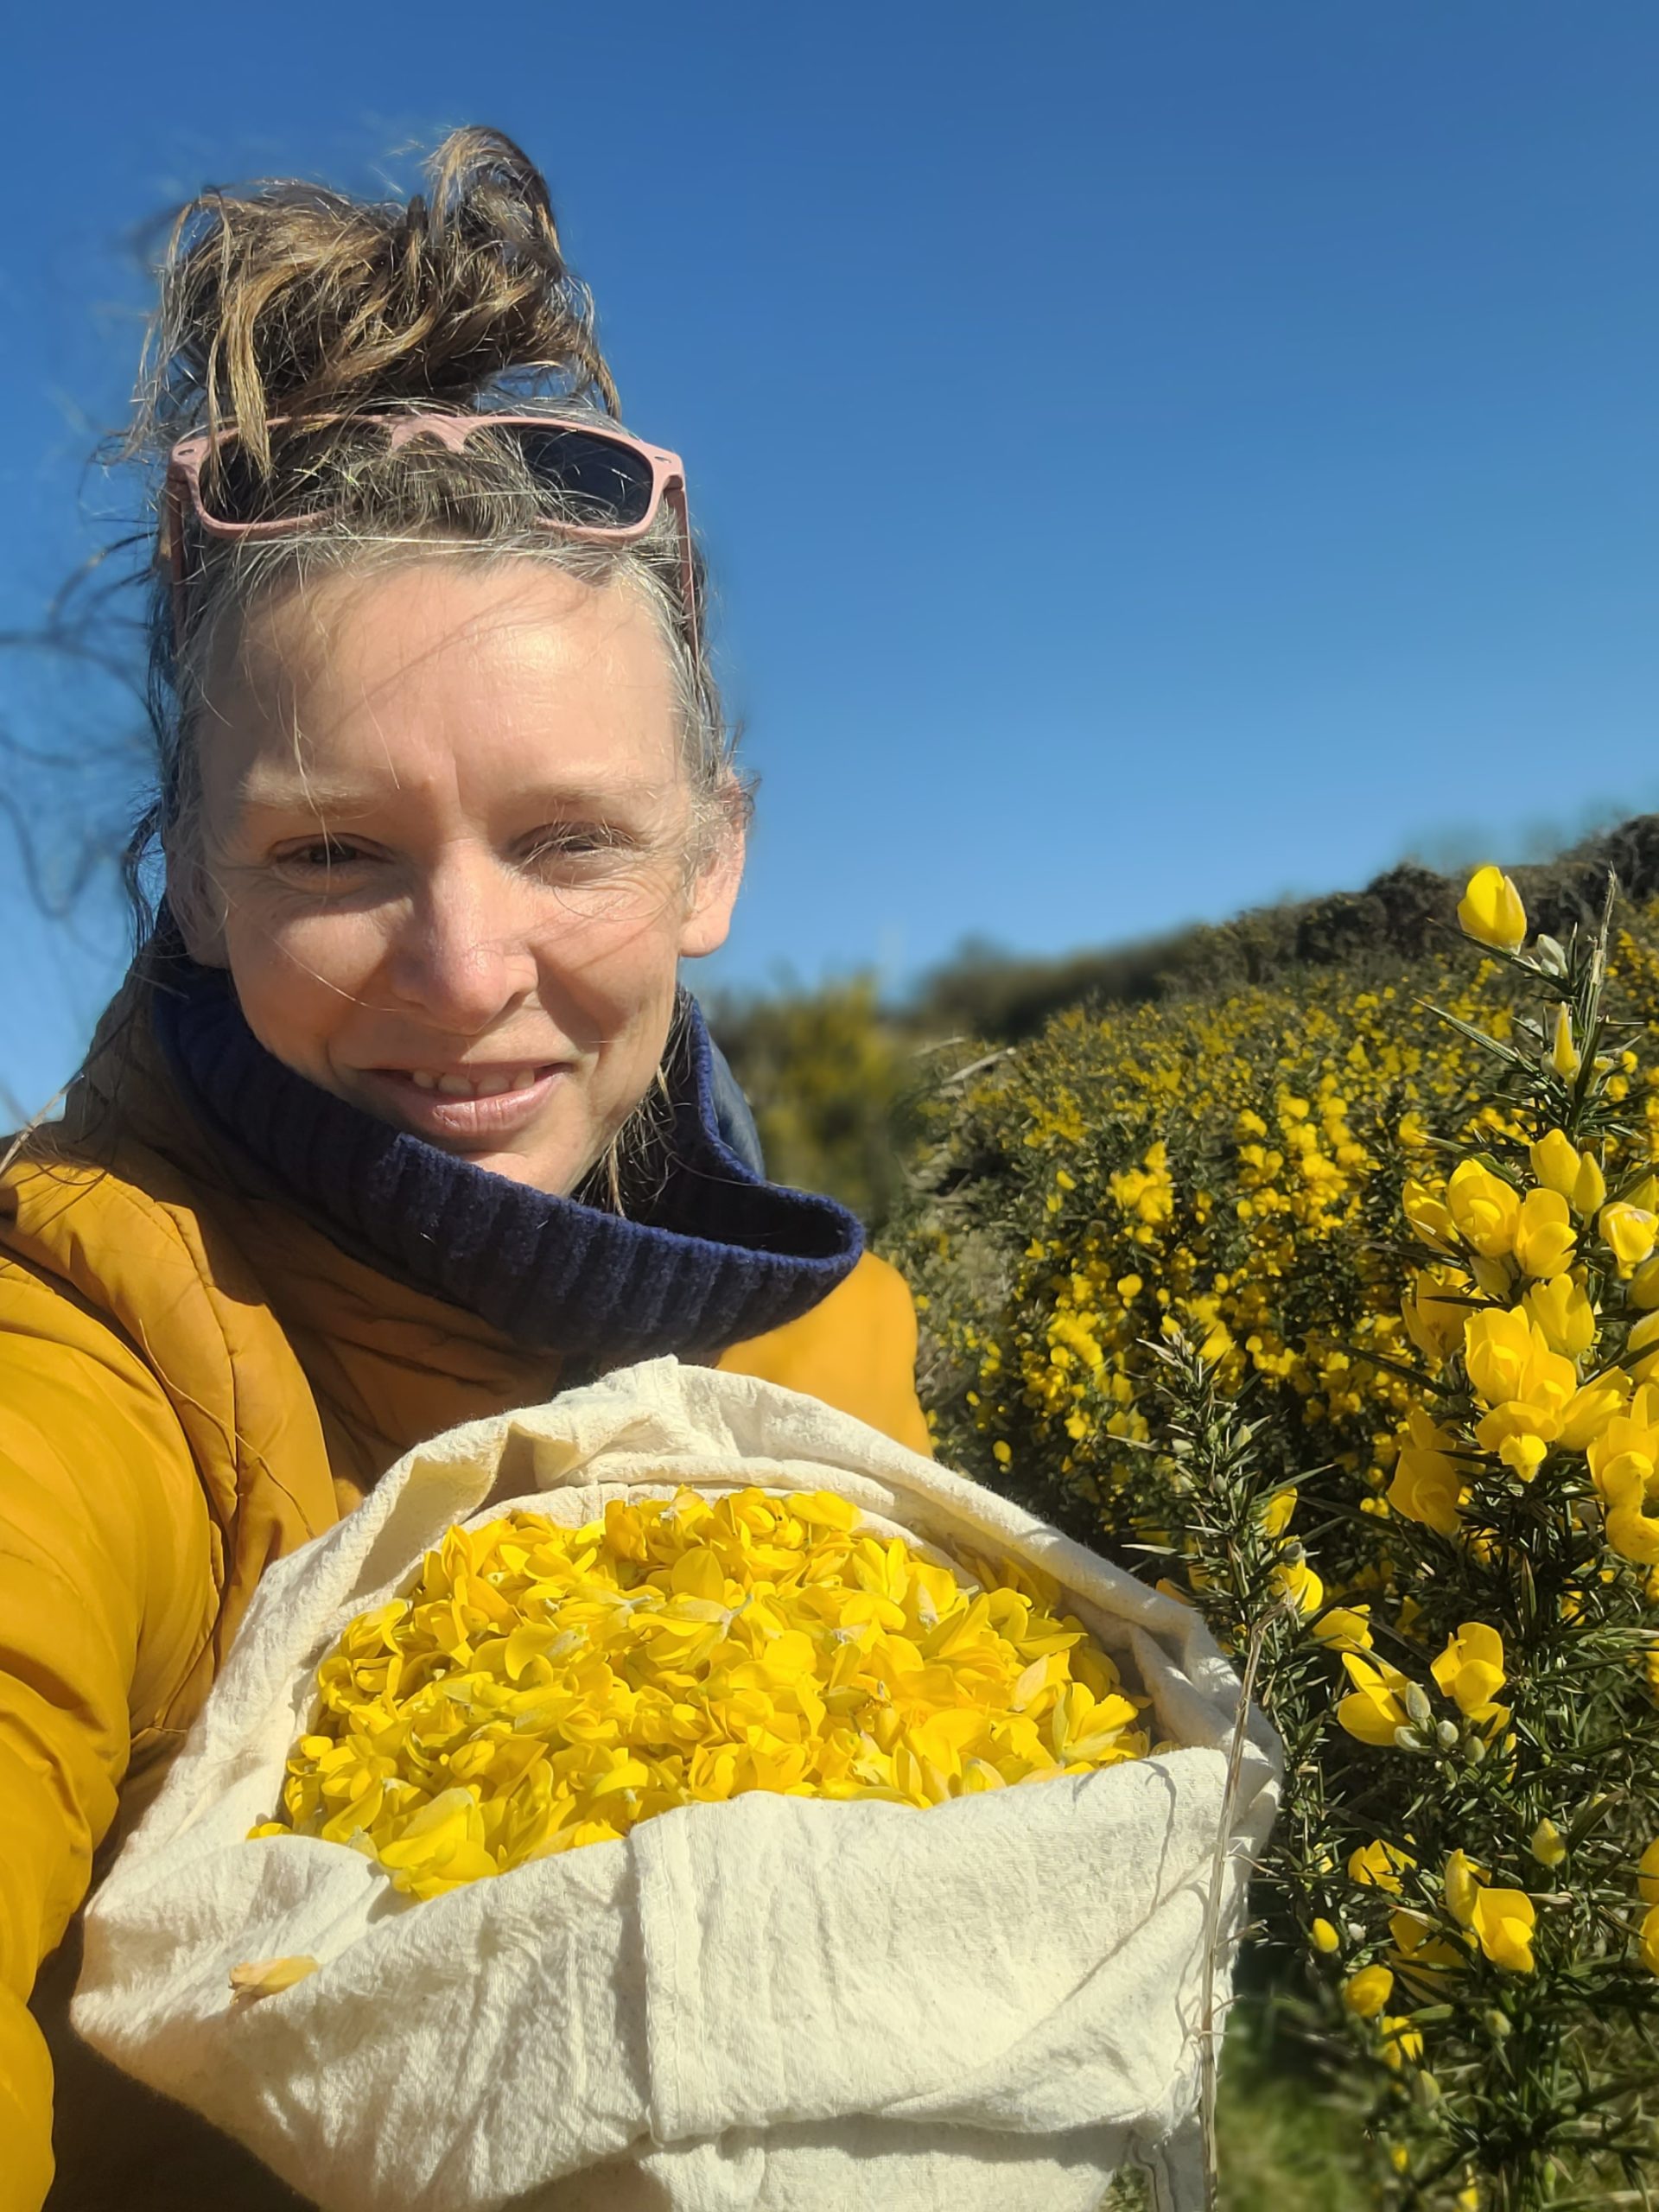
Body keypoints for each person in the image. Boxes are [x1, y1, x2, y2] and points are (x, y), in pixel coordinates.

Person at [0, 127, 930, 2212]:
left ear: (710, 861)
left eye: (568, 838)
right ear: (197, 884)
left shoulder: (838, 1351)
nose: (463, 969)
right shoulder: (95, 1356)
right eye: (334, 852)